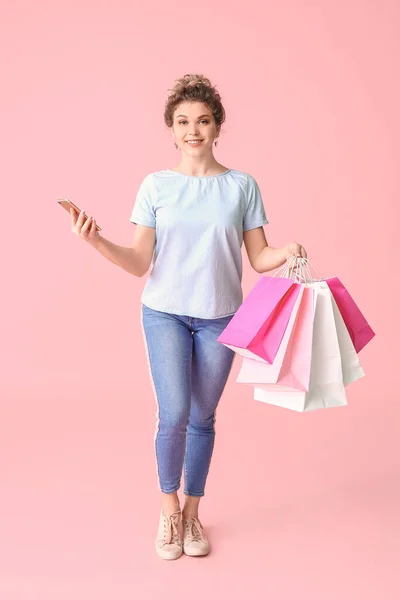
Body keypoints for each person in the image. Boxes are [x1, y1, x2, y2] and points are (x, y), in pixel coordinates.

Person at [70, 73, 307, 560]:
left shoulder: (242, 186)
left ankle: (194, 512)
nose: (193, 129)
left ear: (218, 126)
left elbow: (258, 257)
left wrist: (287, 251)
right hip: (165, 315)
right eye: (182, 121)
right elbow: (140, 262)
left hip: (222, 318)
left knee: (203, 416)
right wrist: (96, 240)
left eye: (202, 120)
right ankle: (169, 509)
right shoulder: (156, 186)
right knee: (174, 413)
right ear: (170, 130)